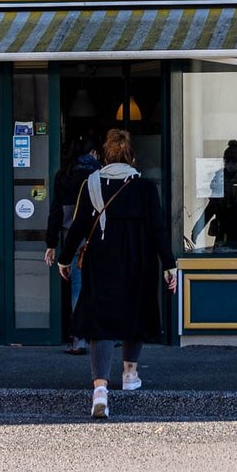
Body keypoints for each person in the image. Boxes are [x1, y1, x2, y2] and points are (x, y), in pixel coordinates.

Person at [57, 128, 178, 419]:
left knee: (102, 319)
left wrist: (64, 259)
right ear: (131, 156)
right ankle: (129, 374)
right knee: (134, 310)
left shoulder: (92, 184)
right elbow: (159, 230)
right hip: (139, 258)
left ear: (104, 156)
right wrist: (169, 265)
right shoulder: (146, 188)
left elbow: (77, 227)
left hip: (102, 257)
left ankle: (100, 389)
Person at [43, 134, 100, 353]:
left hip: (73, 237)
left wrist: (51, 243)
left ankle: (79, 338)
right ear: (93, 152)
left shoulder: (64, 175)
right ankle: (104, 334)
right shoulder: (99, 174)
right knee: (101, 284)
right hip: (99, 234)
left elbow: (56, 212)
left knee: (78, 287)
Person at [194, 140, 237, 252]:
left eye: (234, 160)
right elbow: (212, 206)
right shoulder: (219, 179)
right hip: (225, 235)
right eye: (227, 160)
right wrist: (197, 228)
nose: (230, 163)